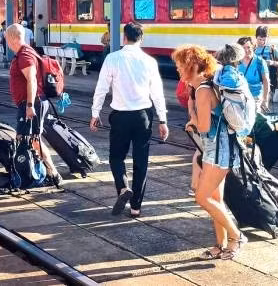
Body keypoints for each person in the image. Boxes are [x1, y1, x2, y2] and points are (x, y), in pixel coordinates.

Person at [174, 44, 247, 260]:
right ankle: (220, 245)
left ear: (192, 66)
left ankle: (237, 236)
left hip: (218, 149)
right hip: (214, 148)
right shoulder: (201, 88)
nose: (178, 70)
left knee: (202, 197)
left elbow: (204, 127)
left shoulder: (204, 90)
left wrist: (192, 118)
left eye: (180, 66)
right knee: (215, 198)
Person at [90, 22, 168, 218]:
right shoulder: (149, 61)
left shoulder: (112, 58)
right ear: (141, 39)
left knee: (116, 157)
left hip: (120, 116)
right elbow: (157, 93)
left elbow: (101, 88)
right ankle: (136, 208)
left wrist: (95, 113)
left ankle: (123, 188)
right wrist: (163, 120)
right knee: (141, 161)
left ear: (124, 38)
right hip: (143, 116)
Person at [5, 23, 63, 190]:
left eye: (7, 38)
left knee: (33, 140)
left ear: (13, 38)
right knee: (29, 138)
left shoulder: (25, 55)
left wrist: (30, 105)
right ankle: (41, 172)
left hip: (32, 103)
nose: (6, 42)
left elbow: (31, 80)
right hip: (32, 102)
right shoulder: (27, 52)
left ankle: (50, 174)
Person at [254, 26, 278, 103]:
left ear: (267, 38)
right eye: (260, 39)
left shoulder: (272, 49)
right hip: (255, 83)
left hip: (270, 83)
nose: (262, 42)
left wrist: (272, 62)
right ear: (256, 37)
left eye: (264, 40)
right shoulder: (252, 49)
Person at [237, 36, 269, 113]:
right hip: (239, 98)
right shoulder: (236, 62)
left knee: (253, 121)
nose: (246, 50)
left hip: (255, 98)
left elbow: (266, 81)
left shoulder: (260, 62)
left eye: (248, 47)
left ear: (253, 47)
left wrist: (265, 100)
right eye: (243, 48)